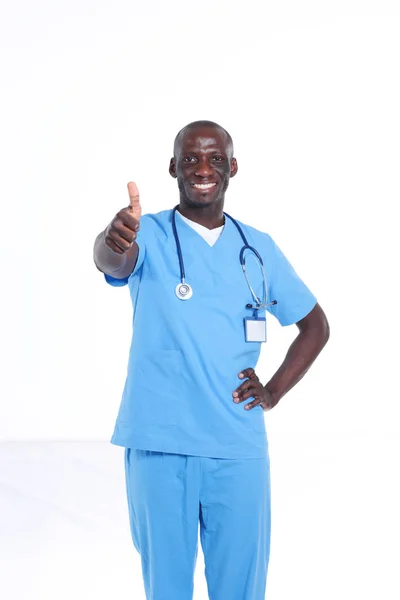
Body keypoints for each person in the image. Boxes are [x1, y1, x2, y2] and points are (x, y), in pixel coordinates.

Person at [93, 120, 330, 600]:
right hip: (160, 445)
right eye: (191, 158)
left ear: (232, 168)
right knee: (167, 589)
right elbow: (112, 261)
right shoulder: (150, 233)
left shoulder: (257, 248)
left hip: (237, 448)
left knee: (240, 590)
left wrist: (274, 390)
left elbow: (315, 326)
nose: (203, 168)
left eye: (215, 158)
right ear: (173, 168)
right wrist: (111, 240)